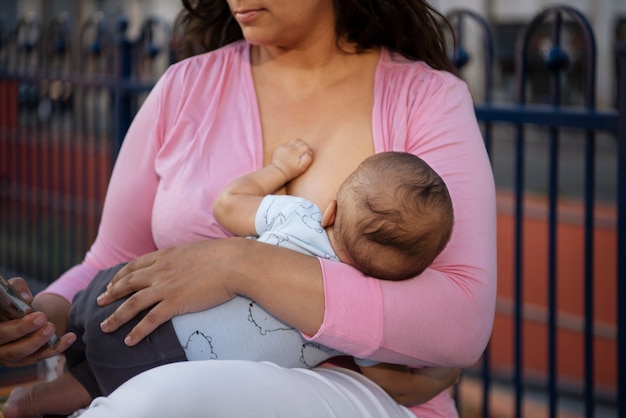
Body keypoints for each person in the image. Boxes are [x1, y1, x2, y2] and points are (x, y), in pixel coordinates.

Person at [0, 0, 497, 417]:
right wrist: (39, 318)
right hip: (149, 372)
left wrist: (240, 264)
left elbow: (461, 316)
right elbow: (111, 259)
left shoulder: (425, 100)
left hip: (353, 396)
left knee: (157, 404)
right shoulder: (183, 88)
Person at [3, 138, 458, 417]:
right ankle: (33, 403)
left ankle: (37, 320)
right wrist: (441, 377)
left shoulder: (302, 217)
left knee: (80, 312)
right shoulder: (356, 318)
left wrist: (279, 170)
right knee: (93, 388)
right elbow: (393, 385)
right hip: (168, 364)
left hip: (133, 290)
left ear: (334, 209)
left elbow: (229, 204)